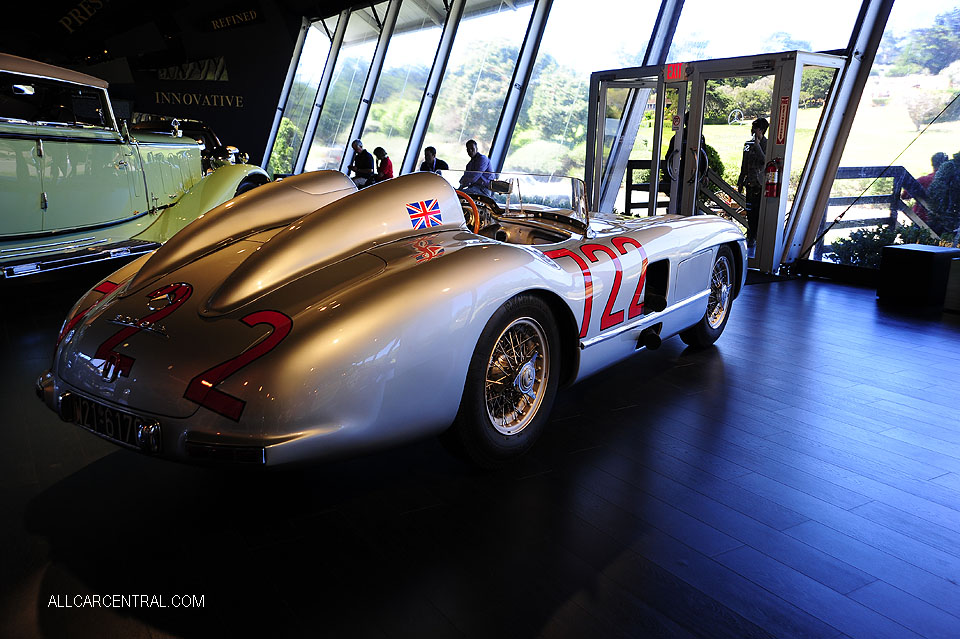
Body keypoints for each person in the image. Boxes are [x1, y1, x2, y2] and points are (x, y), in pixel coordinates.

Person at [664, 112, 708, 215]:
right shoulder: (679, 137)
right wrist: (669, 174)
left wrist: (705, 174)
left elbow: (703, 156)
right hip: (680, 172)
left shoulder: (700, 137)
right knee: (679, 196)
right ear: (687, 121)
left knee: (692, 196)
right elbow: (670, 156)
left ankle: (689, 214)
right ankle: (678, 215)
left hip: (694, 172)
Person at [737, 117, 769, 246]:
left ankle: (756, 236)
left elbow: (765, 161)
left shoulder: (767, 144)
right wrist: (740, 181)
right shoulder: (748, 144)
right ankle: (750, 235)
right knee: (750, 212)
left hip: (761, 185)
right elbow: (744, 163)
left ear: (761, 130)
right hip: (750, 183)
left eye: (756, 128)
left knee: (759, 212)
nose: (753, 130)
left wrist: (757, 146)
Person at [901, 151, 948, 222]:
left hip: (922, 218)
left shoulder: (923, 180)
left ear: (932, 164)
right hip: (946, 220)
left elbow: (904, 196)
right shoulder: (953, 181)